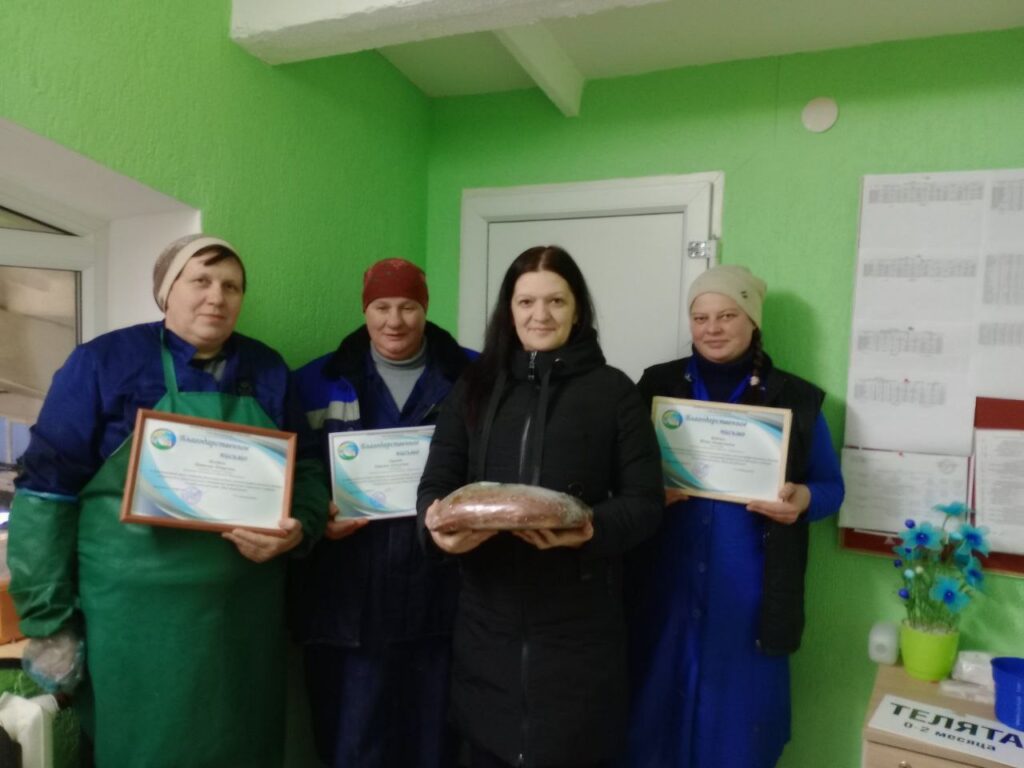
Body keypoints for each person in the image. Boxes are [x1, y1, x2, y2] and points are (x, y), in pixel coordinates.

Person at [7, 234, 328, 767]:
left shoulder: (268, 370)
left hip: (243, 620)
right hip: (135, 622)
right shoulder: (104, 363)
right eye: (200, 280)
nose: (216, 297)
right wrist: (48, 620)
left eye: (232, 286)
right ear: (165, 291)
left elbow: (310, 473)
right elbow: (46, 495)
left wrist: (300, 527)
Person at [416, 245, 664, 768]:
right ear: (509, 309)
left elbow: (645, 503)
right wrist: (434, 528)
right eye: (526, 301)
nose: (540, 315)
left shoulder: (614, 392)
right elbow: (436, 483)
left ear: (578, 309)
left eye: (556, 300)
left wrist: (591, 529)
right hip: (486, 626)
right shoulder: (474, 387)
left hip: (579, 631)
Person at [624, 264, 845, 768]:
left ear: (752, 321)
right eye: (700, 317)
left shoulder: (796, 399)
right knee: (650, 718)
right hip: (664, 587)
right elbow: (619, 470)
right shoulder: (656, 385)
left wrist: (802, 500)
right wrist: (644, 492)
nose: (712, 329)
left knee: (739, 730)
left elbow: (832, 488)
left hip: (750, 597)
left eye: (727, 315)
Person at [292, 258, 472, 768]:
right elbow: (295, 470)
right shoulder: (316, 381)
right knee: (353, 742)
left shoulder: (474, 376)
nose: (395, 321)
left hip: (441, 589)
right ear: (365, 310)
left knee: (433, 743)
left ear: (426, 308)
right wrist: (317, 515)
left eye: (408, 306)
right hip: (347, 597)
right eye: (381, 307)